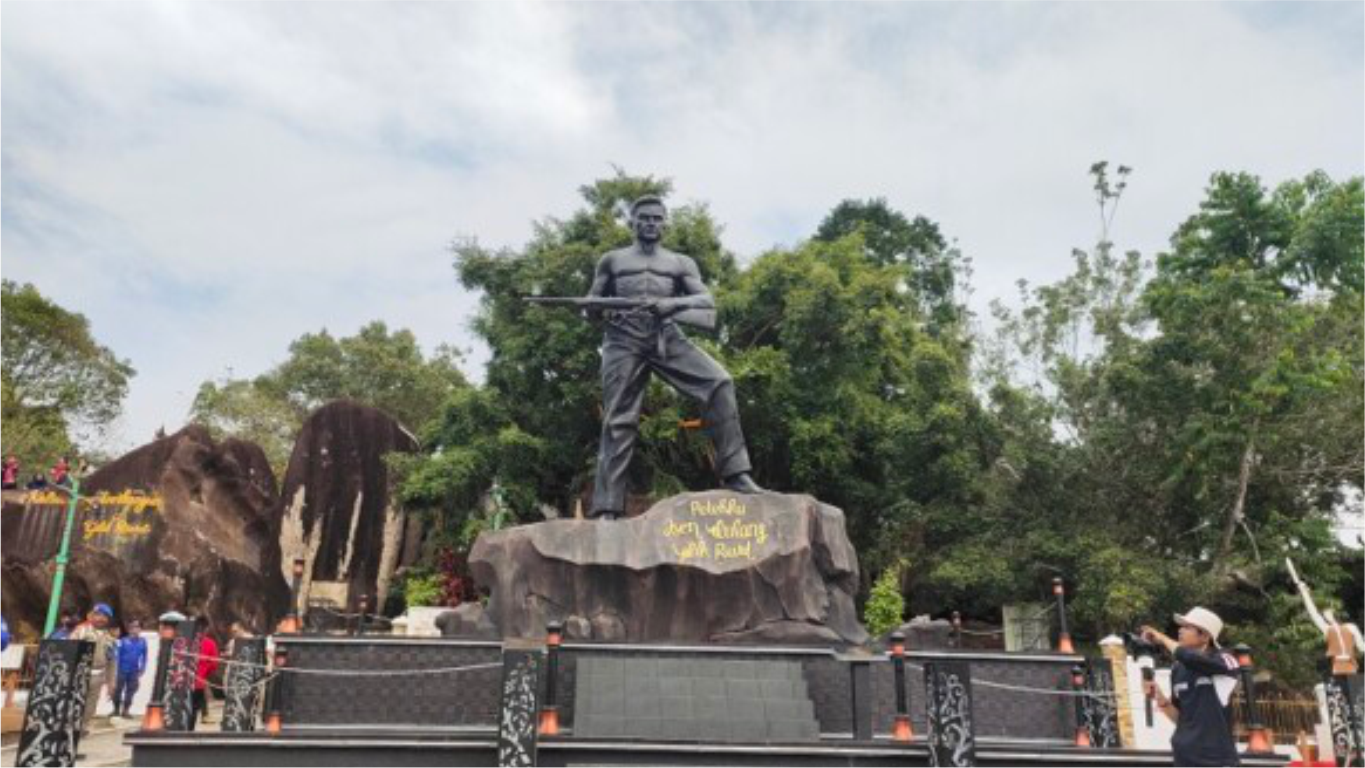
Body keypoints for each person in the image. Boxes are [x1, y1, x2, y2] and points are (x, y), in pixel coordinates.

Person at [584, 195, 763, 518]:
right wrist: (600, 310)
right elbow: (591, 310)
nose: (651, 223)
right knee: (619, 419)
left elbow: (705, 299)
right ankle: (607, 508)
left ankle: (737, 474)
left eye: (657, 218)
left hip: (666, 335)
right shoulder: (612, 260)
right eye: (645, 218)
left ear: (664, 223)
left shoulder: (680, 263)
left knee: (720, 382)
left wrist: (673, 305)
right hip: (623, 340)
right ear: (633, 222)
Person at [1141, 607, 1241, 768]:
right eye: (1182, 626)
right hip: (1184, 759)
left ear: (1205, 635)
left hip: (1216, 760)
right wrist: (1160, 698)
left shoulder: (1224, 659)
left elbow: (1189, 657)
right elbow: (1181, 719)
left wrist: (1162, 638)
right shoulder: (1178, 668)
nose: (1180, 630)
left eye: (1188, 627)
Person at [70, 604, 117, 735]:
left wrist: (111, 682)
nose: (101, 618)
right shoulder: (81, 631)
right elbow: (69, 650)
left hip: (98, 676)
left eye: (105, 616)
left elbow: (112, 661)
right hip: (80, 673)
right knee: (75, 704)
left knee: (90, 707)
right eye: (98, 615)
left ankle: (81, 728)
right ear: (93, 615)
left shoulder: (110, 638)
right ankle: (70, 730)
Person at [113, 619, 148, 718]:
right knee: (118, 690)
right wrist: (115, 670)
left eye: (137, 627)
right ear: (129, 629)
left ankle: (126, 711)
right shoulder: (123, 641)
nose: (134, 629)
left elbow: (145, 656)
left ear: (140, 629)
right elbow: (117, 656)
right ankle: (116, 710)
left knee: (131, 691)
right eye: (132, 627)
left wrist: (142, 668)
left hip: (134, 670)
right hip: (121, 669)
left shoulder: (143, 641)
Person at [191, 617, 219, 729]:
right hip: (199, 681)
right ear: (206, 628)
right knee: (194, 708)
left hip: (183, 683)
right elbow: (214, 664)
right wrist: (205, 672)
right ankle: (191, 728)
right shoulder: (210, 643)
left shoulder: (186, 641)